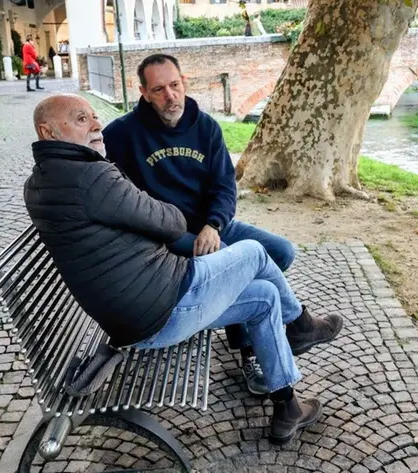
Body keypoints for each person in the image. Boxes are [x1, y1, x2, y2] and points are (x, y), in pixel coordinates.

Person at [23, 93, 344, 444]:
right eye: (81, 119)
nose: (97, 124)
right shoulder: (90, 177)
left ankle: (288, 407)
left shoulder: (41, 182)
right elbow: (173, 222)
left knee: (265, 296)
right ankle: (300, 324)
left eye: (94, 116)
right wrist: (141, 200)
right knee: (253, 252)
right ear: (49, 131)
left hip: (141, 309)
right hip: (162, 306)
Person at [101, 53, 316, 396]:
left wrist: (214, 225)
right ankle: (250, 352)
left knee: (280, 252)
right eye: (159, 90)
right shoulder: (124, 134)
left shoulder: (206, 128)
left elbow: (224, 188)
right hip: (172, 237)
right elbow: (95, 169)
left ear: (184, 82)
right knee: (248, 270)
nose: (170, 96)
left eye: (174, 85)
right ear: (143, 92)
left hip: (211, 227)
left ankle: (246, 326)